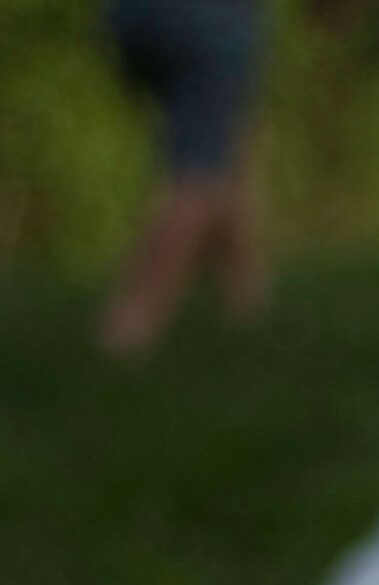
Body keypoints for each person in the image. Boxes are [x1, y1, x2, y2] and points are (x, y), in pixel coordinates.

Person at [97, 0, 267, 357]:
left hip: (127, 15)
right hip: (206, 17)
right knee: (201, 174)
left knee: (225, 140)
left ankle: (245, 301)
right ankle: (130, 330)